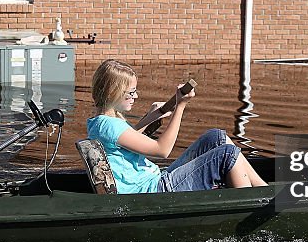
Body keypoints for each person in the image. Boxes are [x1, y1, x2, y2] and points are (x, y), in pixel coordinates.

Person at [87, 59, 268, 193]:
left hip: (155, 181)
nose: (136, 97)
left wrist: (152, 117)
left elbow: (128, 138)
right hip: (155, 190)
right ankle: (249, 204)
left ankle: (264, 191)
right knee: (227, 154)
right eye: (132, 92)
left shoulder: (101, 122)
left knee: (216, 137)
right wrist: (180, 106)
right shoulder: (110, 126)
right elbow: (162, 150)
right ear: (114, 93)